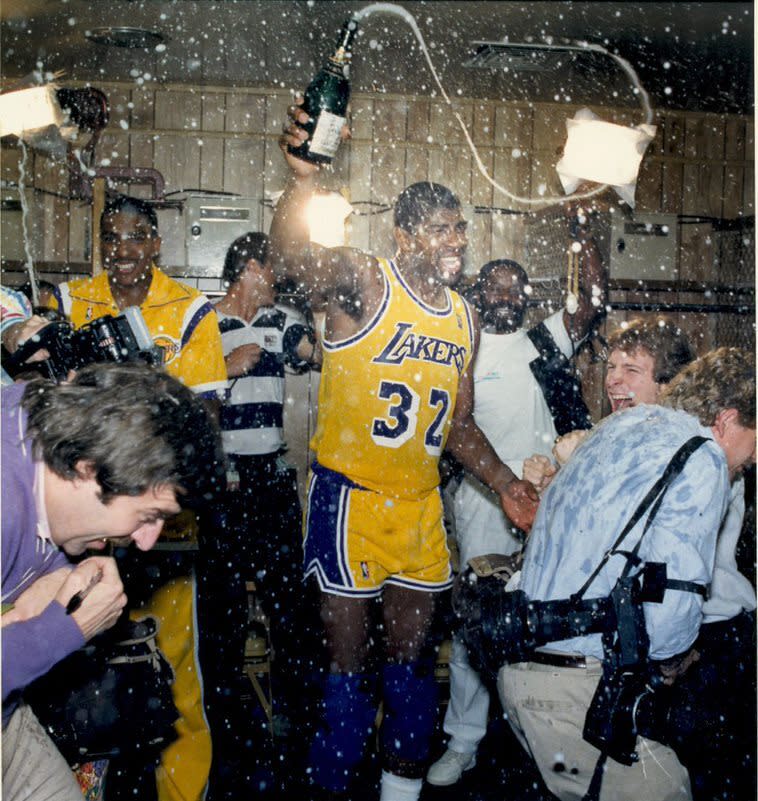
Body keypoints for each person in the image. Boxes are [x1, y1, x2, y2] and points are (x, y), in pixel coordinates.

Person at [270, 103, 539, 801]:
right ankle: (332, 785)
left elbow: (459, 425)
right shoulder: (366, 282)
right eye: (441, 227)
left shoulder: (465, 319)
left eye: (461, 227)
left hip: (419, 506)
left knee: (414, 667)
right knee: (347, 670)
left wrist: (507, 483)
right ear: (404, 234)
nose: (456, 240)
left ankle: (399, 791)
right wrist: (302, 182)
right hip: (349, 500)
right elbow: (294, 262)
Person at [497, 346, 756, 801]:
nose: (751, 461)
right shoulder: (701, 456)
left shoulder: (619, 427)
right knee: (669, 789)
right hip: (575, 689)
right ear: (728, 420)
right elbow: (671, 614)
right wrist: (676, 661)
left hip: (520, 667)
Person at [48, 194, 228, 801]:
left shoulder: (189, 311)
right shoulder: (71, 302)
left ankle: (183, 791)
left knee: (174, 673)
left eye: (135, 238)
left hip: (158, 526)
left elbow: (201, 420)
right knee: (74, 674)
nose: (122, 251)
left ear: (156, 244)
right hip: (83, 519)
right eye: (112, 239)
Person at [427, 230, 606, 786]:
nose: (504, 295)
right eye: (494, 287)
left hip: (552, 502)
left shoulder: (544, 341)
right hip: (483, 500)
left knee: (549, 614)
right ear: (478, 294)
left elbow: (590, 301)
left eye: (514, 288)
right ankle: (465, 742)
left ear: (526, 296)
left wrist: (583, 235)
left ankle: (542, 733)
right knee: (477, 623)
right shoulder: (463, 349)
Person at [1, 361, 224, 801]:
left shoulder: (51, 441)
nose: (145, 542)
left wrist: (57, 578)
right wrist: (64, 630)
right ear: (87, 469)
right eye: (149, 517)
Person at [204, 231, 318, 794]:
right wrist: (224, 365)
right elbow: (177, 386)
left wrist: (316, 333)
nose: (276, 279)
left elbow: (314, 352)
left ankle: (293, 729)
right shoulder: (203, 319)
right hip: (221, 487)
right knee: (222, 616)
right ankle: (227, 736)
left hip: (271, 482)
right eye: (272, 270)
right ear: (251, 266)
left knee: (290, 614)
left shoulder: (280, 317)